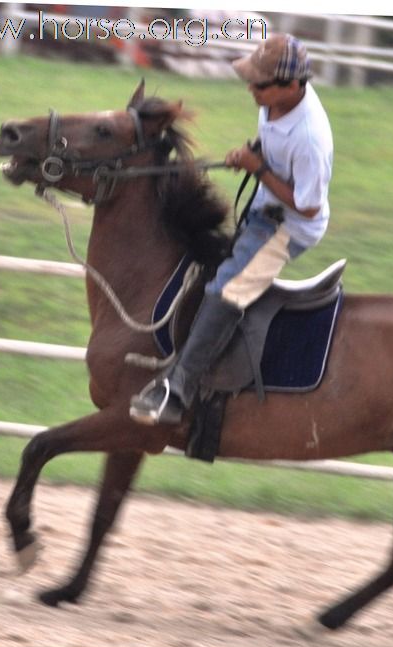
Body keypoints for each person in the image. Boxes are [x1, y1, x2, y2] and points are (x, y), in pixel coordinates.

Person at [130, 33, 334, 425]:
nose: (250, 88)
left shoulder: (311, 137)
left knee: (227, 290)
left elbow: (308, 207)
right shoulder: (275, 103)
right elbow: (274, 146)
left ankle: (179, 391)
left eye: (258, 83)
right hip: (264, 209)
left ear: (291, 86)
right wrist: (256, 155)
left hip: (289, 227)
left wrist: (258, 169)